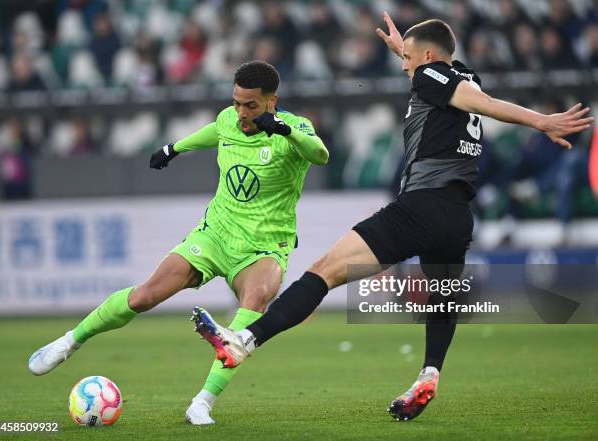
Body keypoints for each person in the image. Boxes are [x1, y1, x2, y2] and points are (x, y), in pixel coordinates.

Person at [192, 14, 593, 422]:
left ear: (431, 57)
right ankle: (429, 372)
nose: (405, 68)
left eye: (409, 61)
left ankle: (244, 340)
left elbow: (481, 102)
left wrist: (540, 121)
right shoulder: (459, 74)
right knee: (441, 297)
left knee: (324, 271)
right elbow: (459, 84)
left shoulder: (431, 76)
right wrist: (406, 48)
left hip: (421, 207)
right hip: (457, 217)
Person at [27, 60, 329, 425]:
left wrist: (283, 130)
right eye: (236, 102)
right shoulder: (228, 120)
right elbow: (213, 131)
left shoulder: (294, 129)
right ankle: (68, 341)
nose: (241, 112)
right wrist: (174, 149)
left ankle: (201, 403)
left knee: (255, 303)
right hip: (215, 234)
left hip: (264, 247)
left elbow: (320, 155)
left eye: (250, 105)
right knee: (145, 296)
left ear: (271, 100)